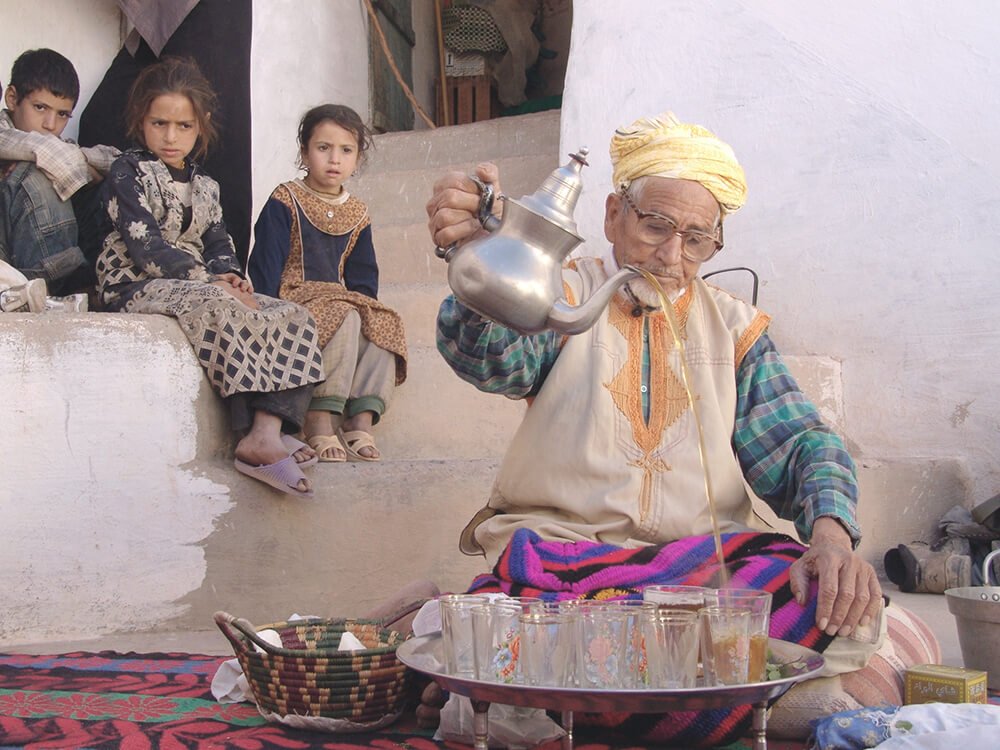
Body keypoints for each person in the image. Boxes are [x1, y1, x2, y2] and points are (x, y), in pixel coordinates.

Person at [422, 112, 937, 743]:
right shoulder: (559, 294)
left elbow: (802, 443)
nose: (672, 256)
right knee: (544, 615)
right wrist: (481, 260)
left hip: (704, 570)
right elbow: (490, 357)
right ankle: (741, 706)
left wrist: (832, 538)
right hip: (566, 561)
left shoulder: (735, 328)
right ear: (613, 215)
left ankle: (534, 703)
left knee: (837, 603)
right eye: (655, 226)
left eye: (697, 239)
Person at [96, 57, 324, 496]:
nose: (170, 136)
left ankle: (267, 428)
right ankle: (251, 434)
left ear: (199, 128)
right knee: (218, 305)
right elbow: (145, 248)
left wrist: (233, 277)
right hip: (134, 281)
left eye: (183, 126)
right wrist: (210, 282)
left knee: (292, 314)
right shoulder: (127, 172)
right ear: (140, 121)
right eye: (159, 123)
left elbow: (220, 244)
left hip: (200, 280)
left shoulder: (207, 187)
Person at [248, 104, 406, 463]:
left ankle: (361, 417)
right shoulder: (285, 199)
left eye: (346, 151)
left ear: (357, 158)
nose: (334, 159)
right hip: (293, 296)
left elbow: (364, 277)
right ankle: (321, 418)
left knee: (382, 319)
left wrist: (370, 311)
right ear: (304, 152)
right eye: (323, 148)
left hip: (339, 298)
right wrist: (268, 309)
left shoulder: (358, 212)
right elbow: (265, 264)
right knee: (346, 315)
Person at [0, 49, 118, 302]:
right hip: (16, 269)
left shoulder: (63, 152)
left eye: (62, 114)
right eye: (40, 107)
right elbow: (41, 150)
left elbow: (116, 160)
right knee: (37, 172)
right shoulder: (7, 137)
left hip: (58, 259)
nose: (50, 124)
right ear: (12, 98)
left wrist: (85, 166)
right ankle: (57, 286)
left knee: (115, 185)